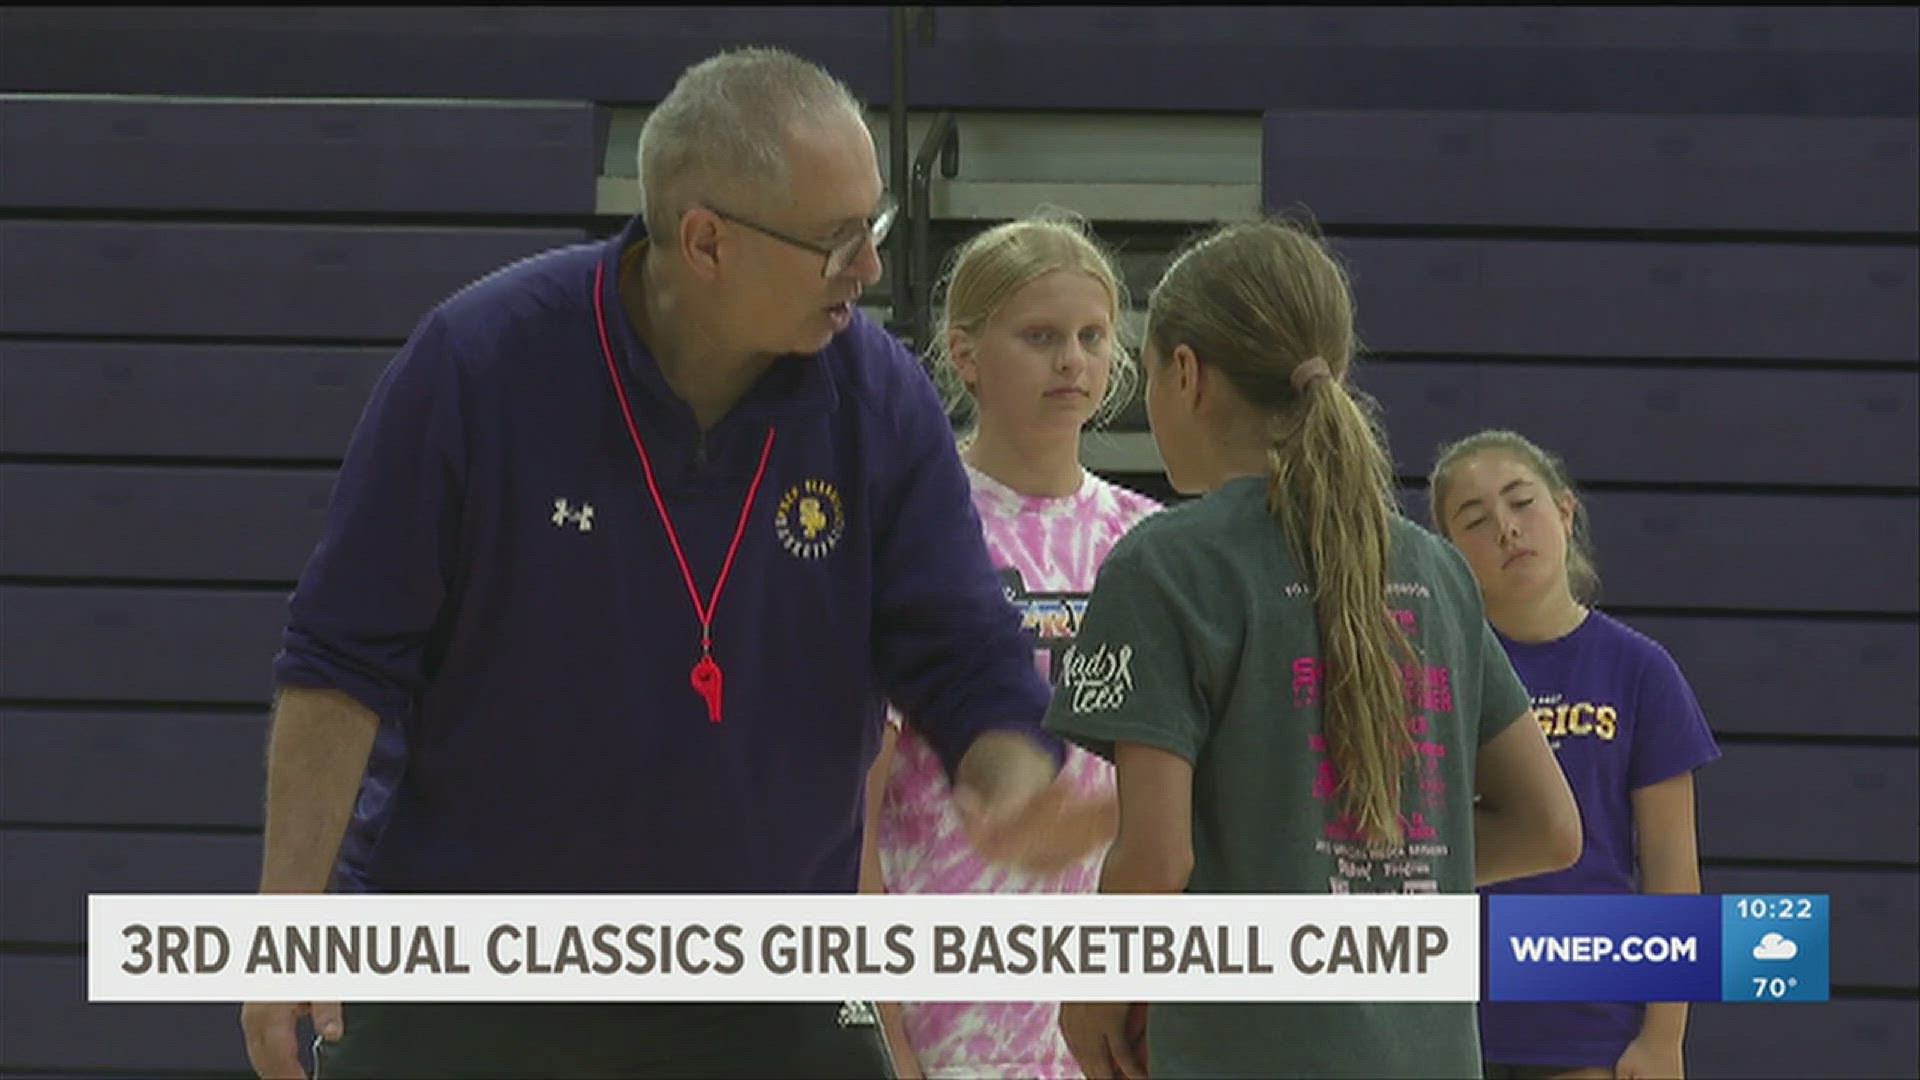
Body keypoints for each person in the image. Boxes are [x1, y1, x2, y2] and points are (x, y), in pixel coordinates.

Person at [241, 47, 1079, 1080]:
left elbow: (959, 649)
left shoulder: (879, 397)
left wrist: (1011, 778)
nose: (867, 269)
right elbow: (339, 664)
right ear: (706, 241)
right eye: (835, 241)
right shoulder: (480, 363)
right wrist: (285, 929)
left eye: (875, 228)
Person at [1044, 218, 1585, 1079]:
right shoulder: (1434, 567)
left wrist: (1093, 991)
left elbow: (1157, 854)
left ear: (1186, 375)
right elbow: (1552, 828)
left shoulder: (1165, 565)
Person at [862, 213, 1163, 1078]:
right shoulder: (918, 532)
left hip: (1108, 999)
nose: (1072, 360)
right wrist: (882, 1032)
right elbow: (860, 819)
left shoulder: (1151, 544)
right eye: (1040, 337)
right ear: (964, 354)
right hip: (945, 994)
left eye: (1091, 337)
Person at [1428, 430, 1722, 1080]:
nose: (1506, 529)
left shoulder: (1641, 670)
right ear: (1449, 556)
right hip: (1451, 1019)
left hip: (1589, 1025)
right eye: (1475, 520)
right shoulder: (1436, 675)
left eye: (1521, 503)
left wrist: (1664, 1036)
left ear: (1564, 511)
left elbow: (1674, 871)